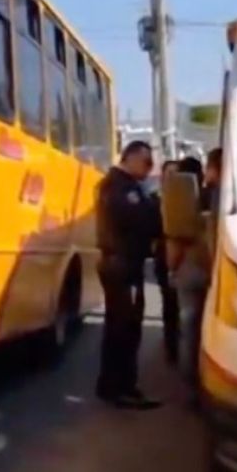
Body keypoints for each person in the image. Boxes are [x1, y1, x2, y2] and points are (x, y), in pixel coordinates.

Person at [94, 140, 161, 410]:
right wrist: (154, 205)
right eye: (146, 162)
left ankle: (112, 385)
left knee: (120, 327)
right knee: (125, 330)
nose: (149, 168)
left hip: (123, 264)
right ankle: (121, 388)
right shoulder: (120, 187)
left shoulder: (122, 185)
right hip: (122, 265)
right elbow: (145, 222)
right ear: (130, 158)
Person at [165, 156, 211, 401]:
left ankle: (191, 386)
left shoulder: (180, 201)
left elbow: (175, 243)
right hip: (215, 270)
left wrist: (172, 269)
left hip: (190, 269)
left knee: (189, 328)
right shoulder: (218, 196)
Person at [151, 159, 181, 367]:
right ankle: (172, 347)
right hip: (162, 257)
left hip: (182, 258)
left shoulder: (187, 199)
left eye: (175, 174)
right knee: (169, 303)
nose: (171, 177)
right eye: (167, 173)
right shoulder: (153, 199)